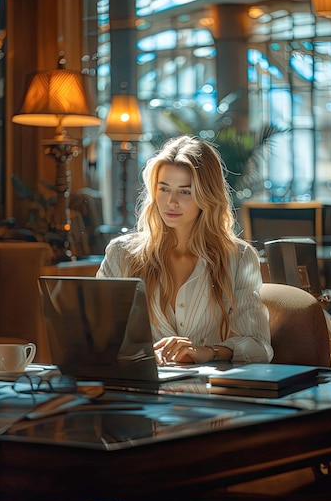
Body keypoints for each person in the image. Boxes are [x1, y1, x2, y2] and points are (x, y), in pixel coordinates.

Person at [97, 135, 273, 365]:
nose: (171, 202)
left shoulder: (238, 258)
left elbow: (260, 347)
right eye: (164, 189)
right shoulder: (121, 254)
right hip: (139, 388)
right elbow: (97, 334)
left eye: (185, 191)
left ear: (206, 196)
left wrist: (208, 351)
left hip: (206, 393)